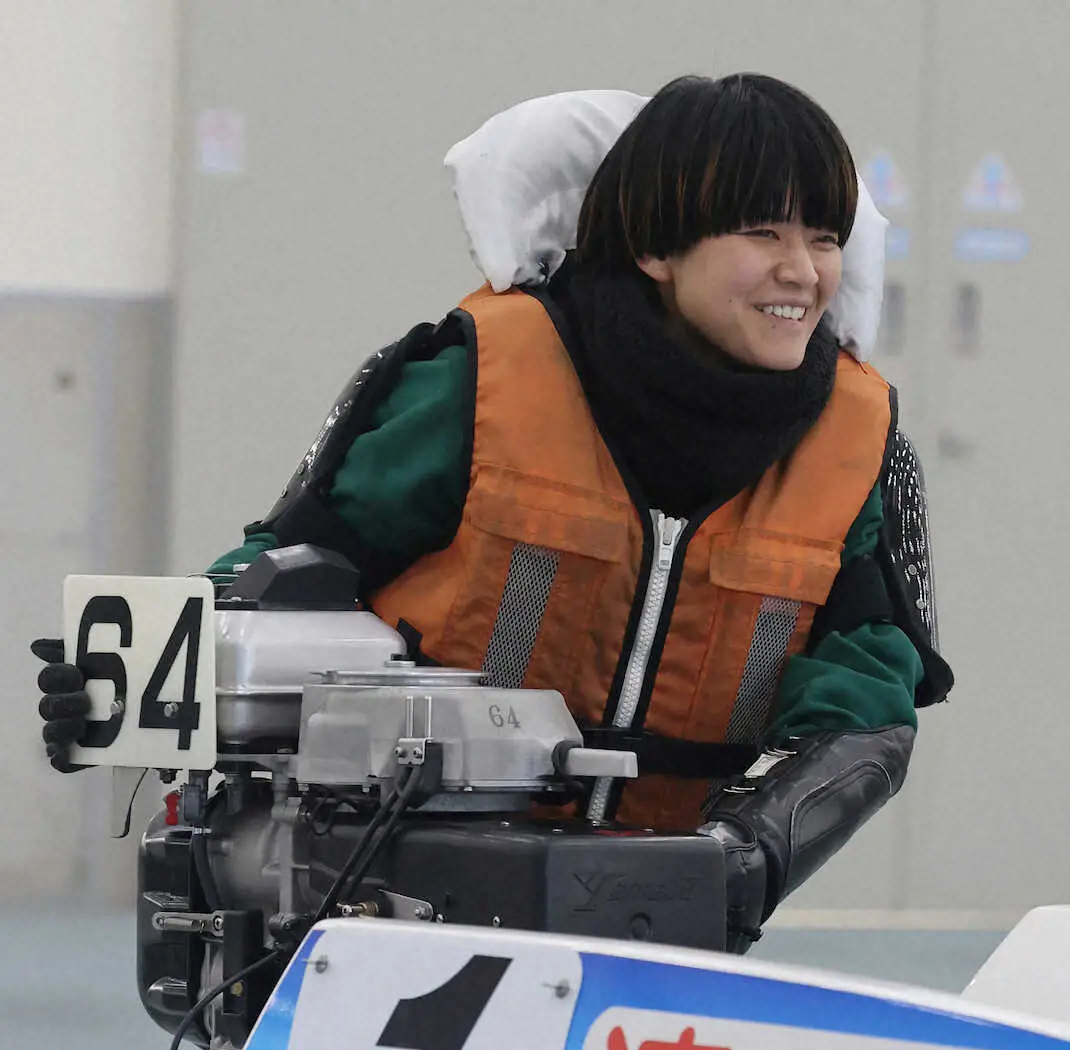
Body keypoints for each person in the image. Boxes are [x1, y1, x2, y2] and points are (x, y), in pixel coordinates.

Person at [36, 74, 952, 952]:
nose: (802, 271)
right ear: (657, 248)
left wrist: (740, 863)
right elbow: (291, 566)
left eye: (824, 238)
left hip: (657, 918)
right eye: (763, 233)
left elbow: (867, 704)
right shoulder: (483, 380)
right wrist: (129, 684)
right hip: (388, 904)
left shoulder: (854, 445)